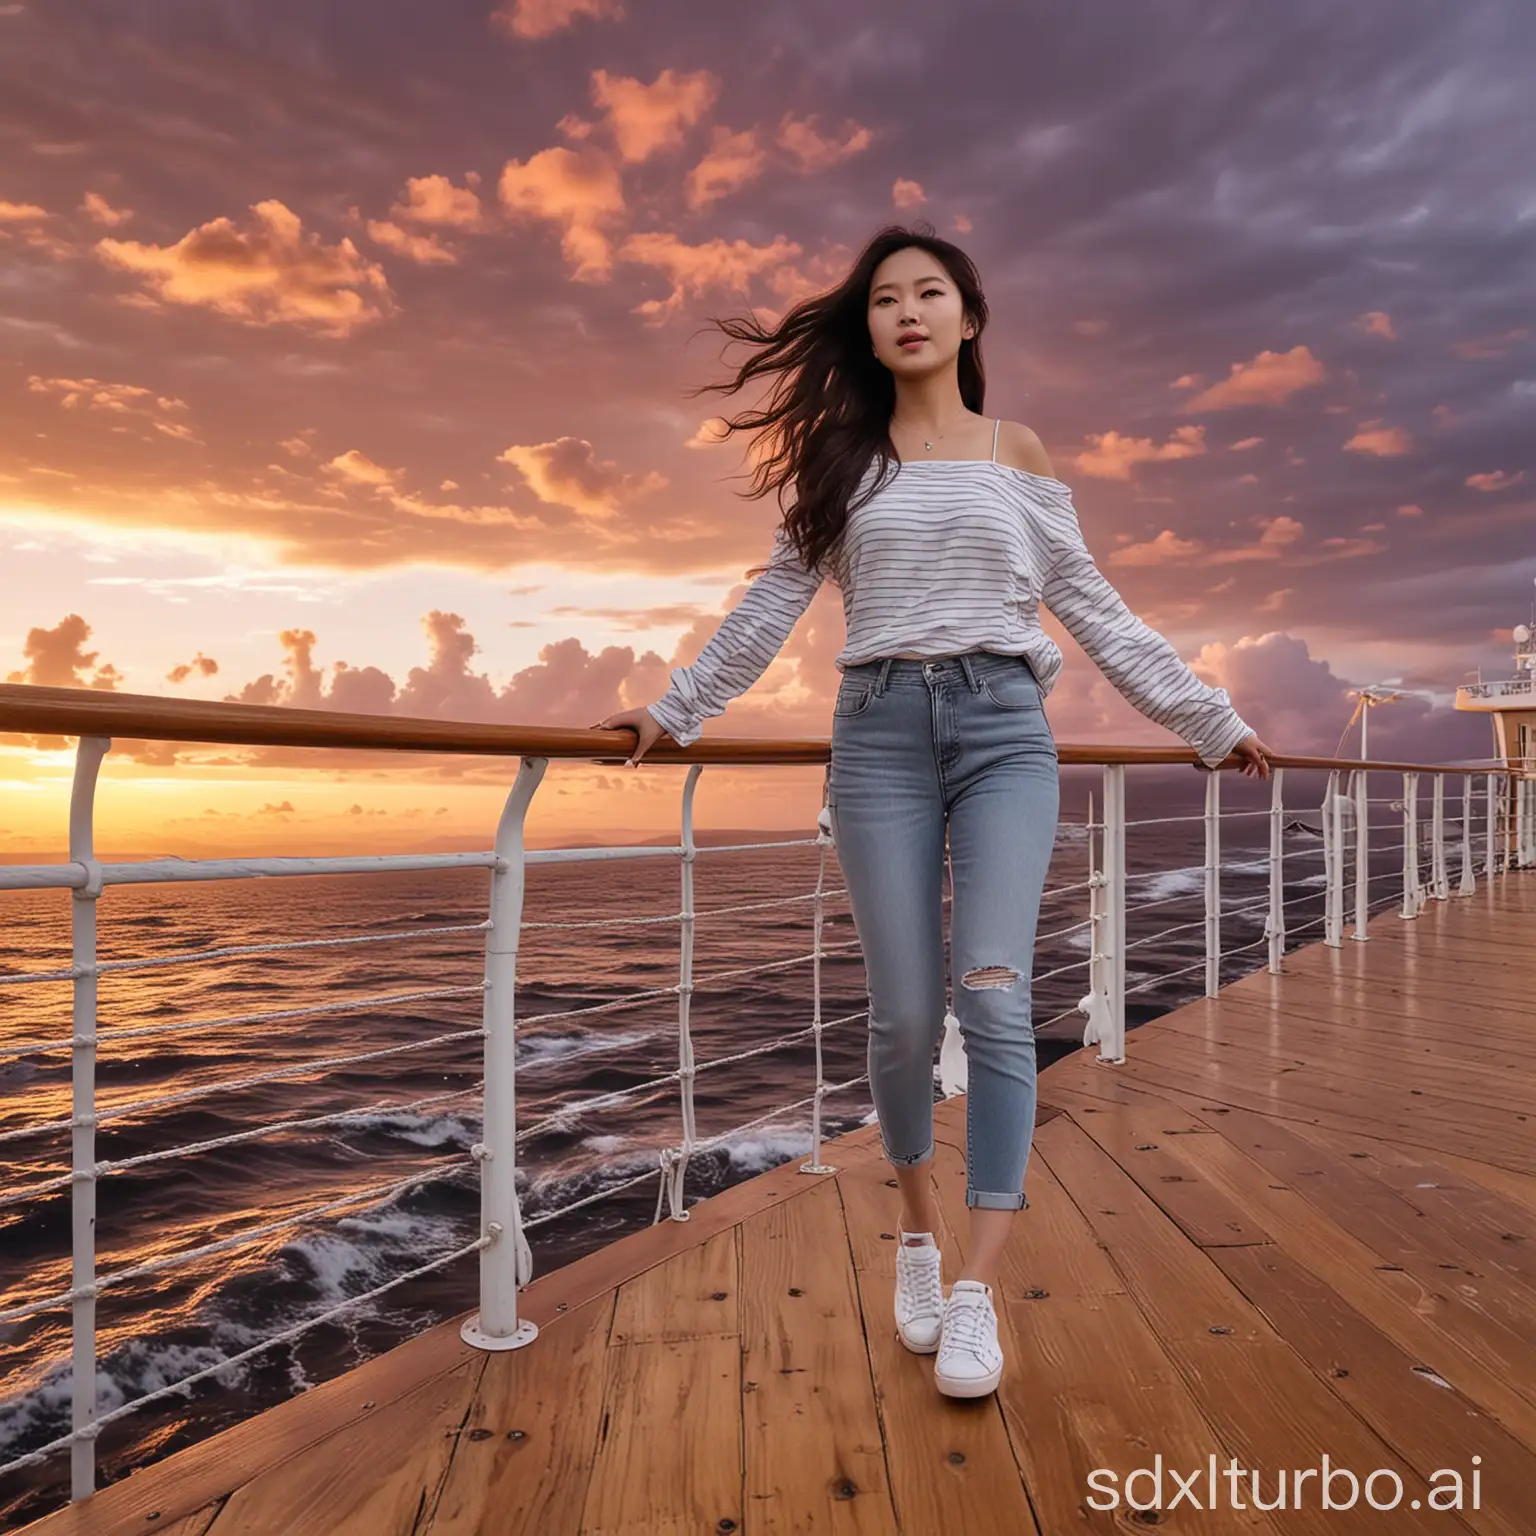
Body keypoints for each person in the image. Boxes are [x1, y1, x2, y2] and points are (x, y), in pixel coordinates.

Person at [593, 222, 1273, 1400]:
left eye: (930, 293)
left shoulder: (1019, 452)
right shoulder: (841, 464)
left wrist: (1208, 718)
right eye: (885, 299)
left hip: (1006, 731)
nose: (906, 311)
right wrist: (678, 708)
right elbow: (771, 602)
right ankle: (915, 1237)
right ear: (869, 328)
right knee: (908, 1018)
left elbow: (1095, 608)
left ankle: (976, 1287)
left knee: (995, 1000)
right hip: (879, 740)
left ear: (969, 319)